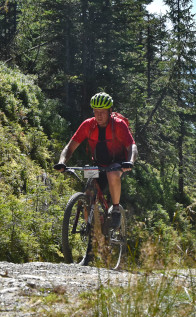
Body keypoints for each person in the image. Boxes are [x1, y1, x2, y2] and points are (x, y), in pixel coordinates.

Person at [54, 92, 137, 229]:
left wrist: (130, 161)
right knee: (88, 192)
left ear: (110, 111)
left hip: (118, 163)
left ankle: (115, 209)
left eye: (102, 112)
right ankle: (92, 230)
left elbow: (132, 146)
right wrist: (62, 161)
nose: (99, 115)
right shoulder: (88, 125)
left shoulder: (119, 125)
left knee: (112, 174)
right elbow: (70, 146)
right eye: (96, 111)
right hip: (98, 165)